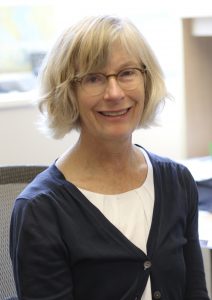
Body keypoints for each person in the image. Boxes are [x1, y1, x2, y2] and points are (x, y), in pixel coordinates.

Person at [10, 15, 210, 300]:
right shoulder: (40, 211)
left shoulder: (177, 181)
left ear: (146, 79)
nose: (114, 93)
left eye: (127, 73)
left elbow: (195, 293)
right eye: (93, 78)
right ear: (68, 92)